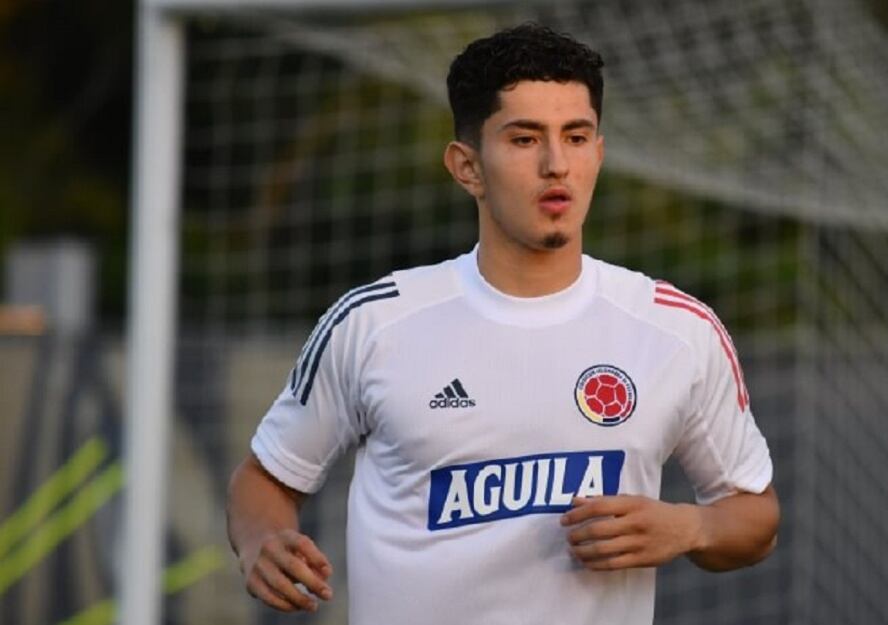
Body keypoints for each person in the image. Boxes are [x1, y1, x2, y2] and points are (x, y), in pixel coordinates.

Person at [226, 22, 779, 625]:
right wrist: (261, 542)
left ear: (598, 153)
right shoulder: (374, 323)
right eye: (524, 139)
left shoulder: (677, 330)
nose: (556, 164)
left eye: (576, 137)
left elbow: (756, 517)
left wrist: (691, 527)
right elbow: (265, 479)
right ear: (467, 167)